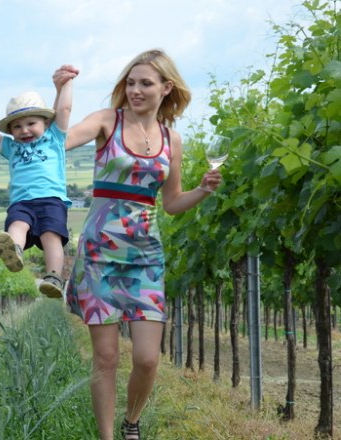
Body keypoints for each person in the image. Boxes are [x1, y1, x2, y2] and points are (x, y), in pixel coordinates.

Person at [57, 50, 222, 440]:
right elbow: (60, 139)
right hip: (99, 254)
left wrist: (201, 190)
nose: (135, 90)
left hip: (146, 256)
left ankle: (133, 421)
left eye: (145, 83)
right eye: (130, 82)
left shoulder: (172, 139)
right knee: (107, 356)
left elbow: (171, 203)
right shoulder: (106, 121)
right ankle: (108, 436)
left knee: (148, 359)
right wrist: (62, 89)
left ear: (166, 88)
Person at [0, 65, 77, 298]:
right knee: (17, 226)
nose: (24, 130)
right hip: (21, 202)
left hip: (51, 199)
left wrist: (67, 82)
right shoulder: (11, 147)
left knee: (51, 236)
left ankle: (54, 277)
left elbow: (64, 108)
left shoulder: (54, 138)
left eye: (31, 123)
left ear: (46, 124)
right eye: (17, 126)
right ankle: (14, 251)